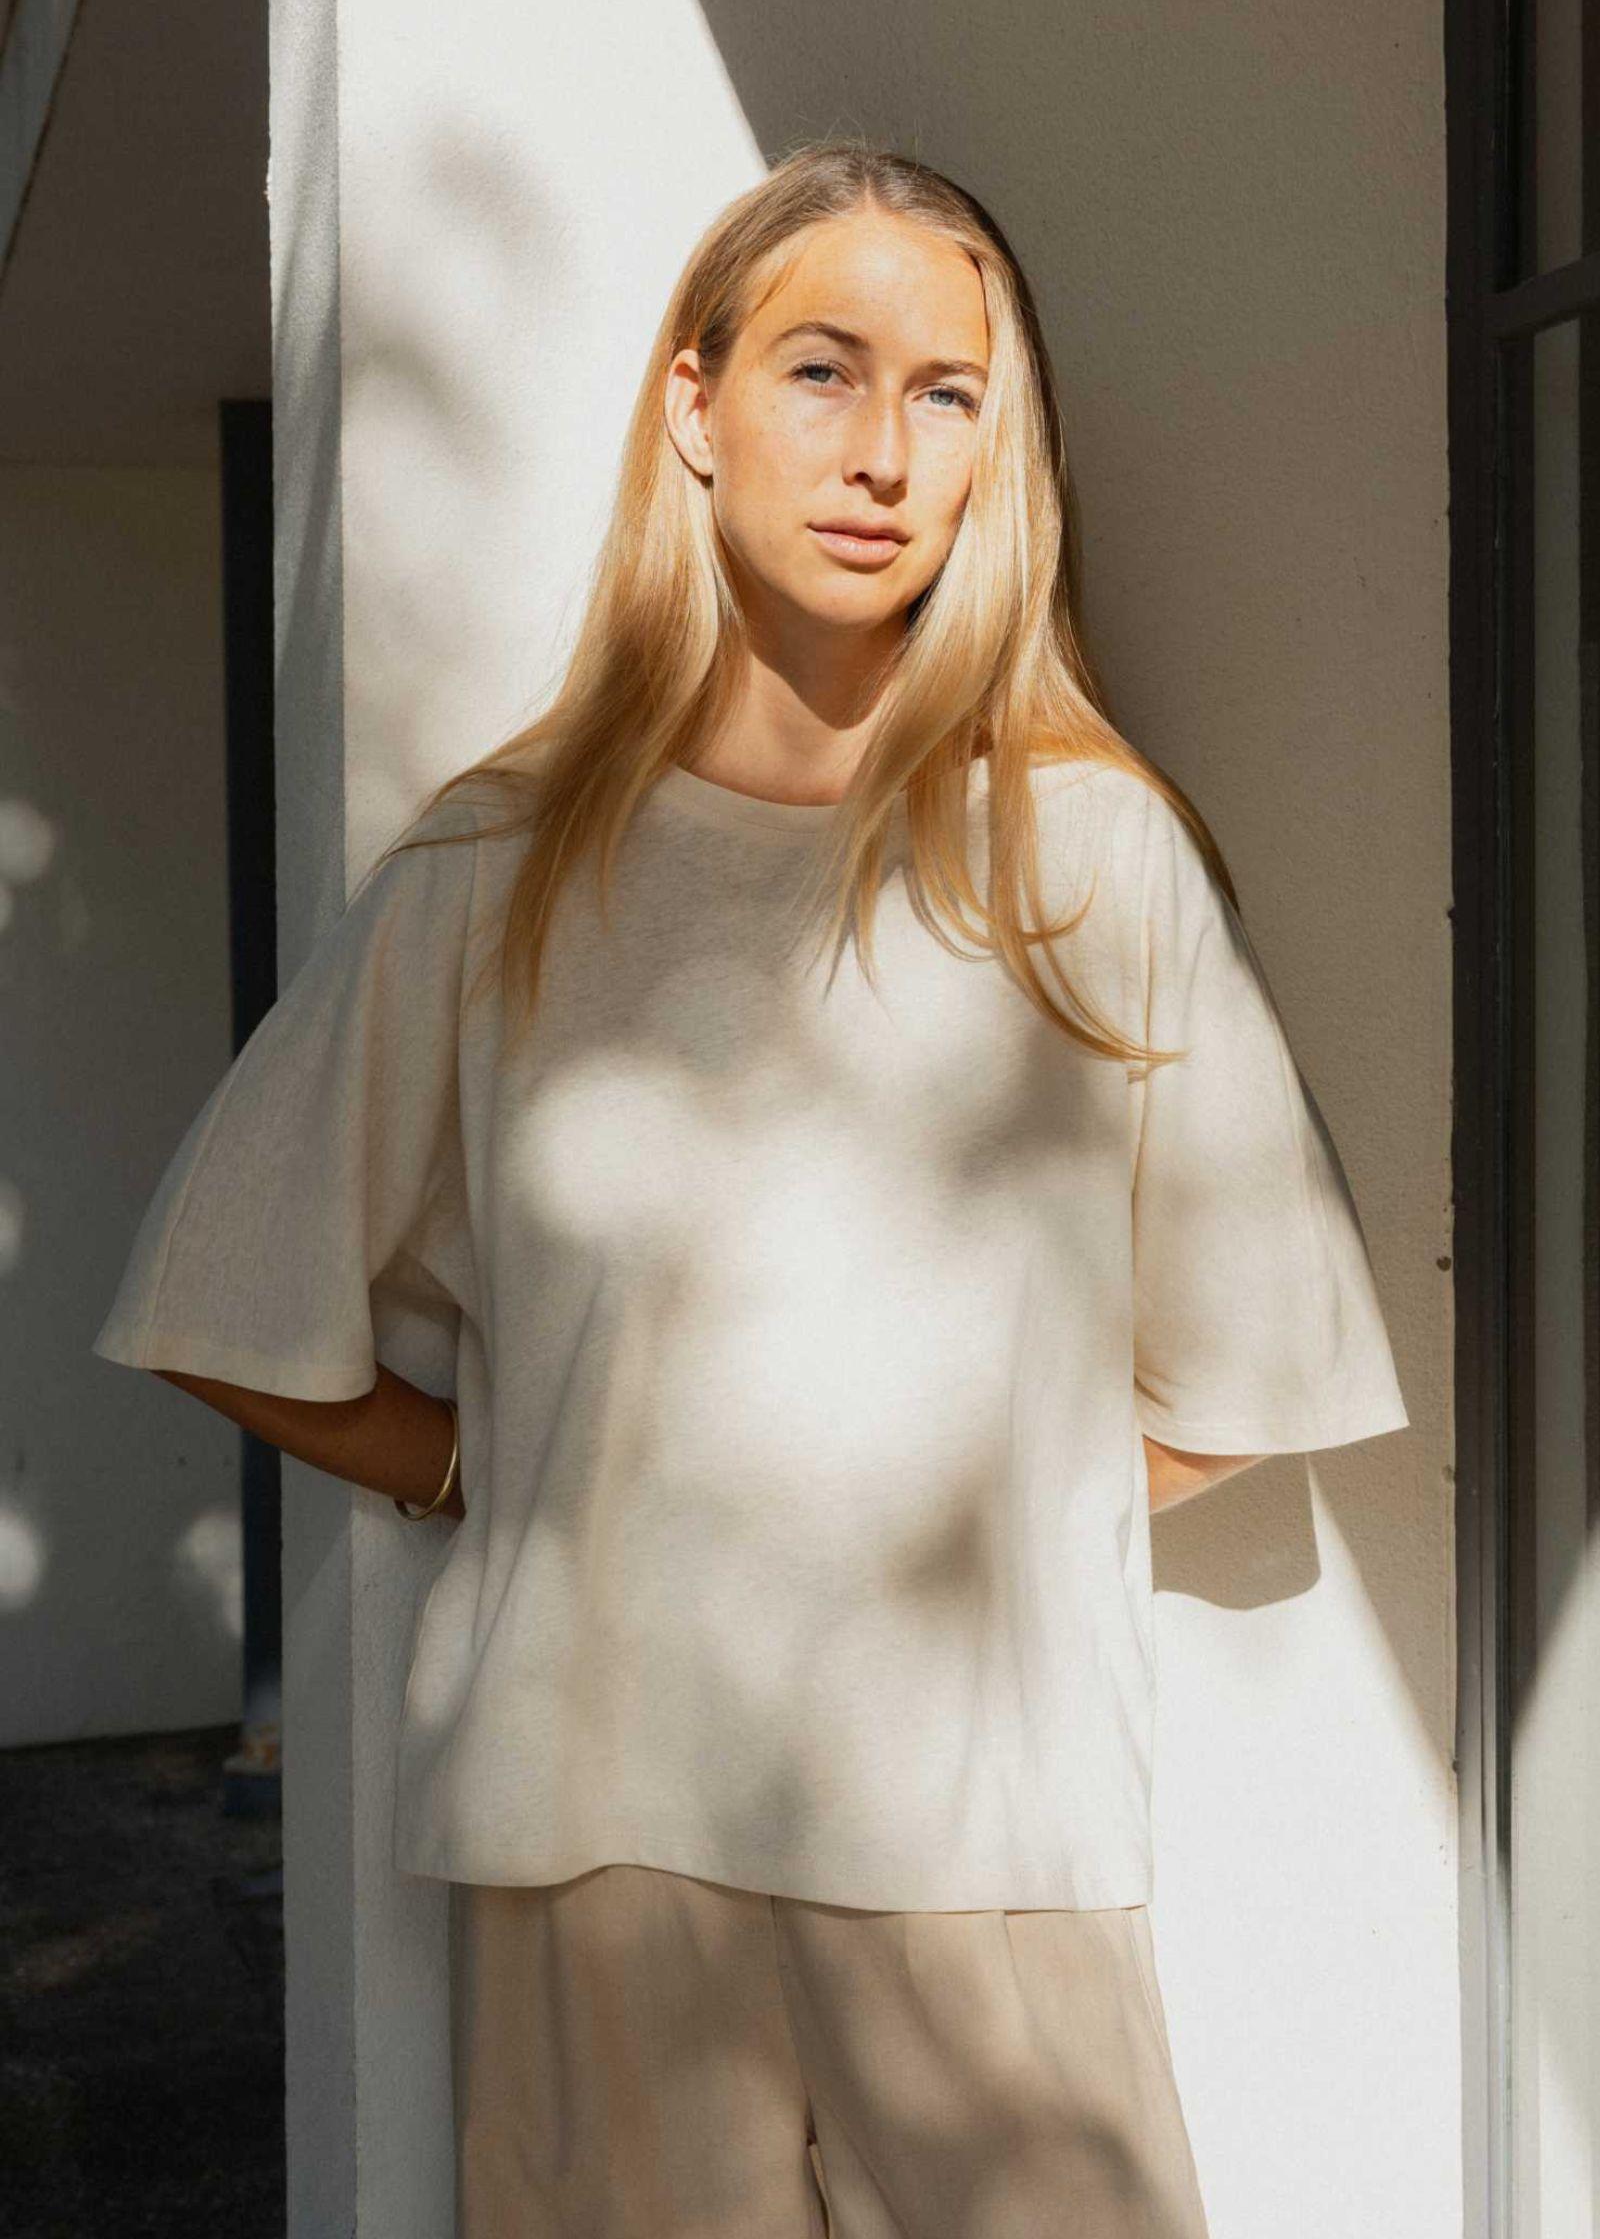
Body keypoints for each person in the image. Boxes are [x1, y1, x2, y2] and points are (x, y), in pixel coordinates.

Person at [93, 140, 1409, 2237]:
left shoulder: (1084, 853)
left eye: (948, 391)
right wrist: (501, 1475)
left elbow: (1243, 1371)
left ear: (1000, 450)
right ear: (690, 403)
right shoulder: (497, 865)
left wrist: (977, 1495)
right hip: (595, 1842)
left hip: (987, 1839)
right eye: (822, 368)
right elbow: (225, 1299)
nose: (885, 448)